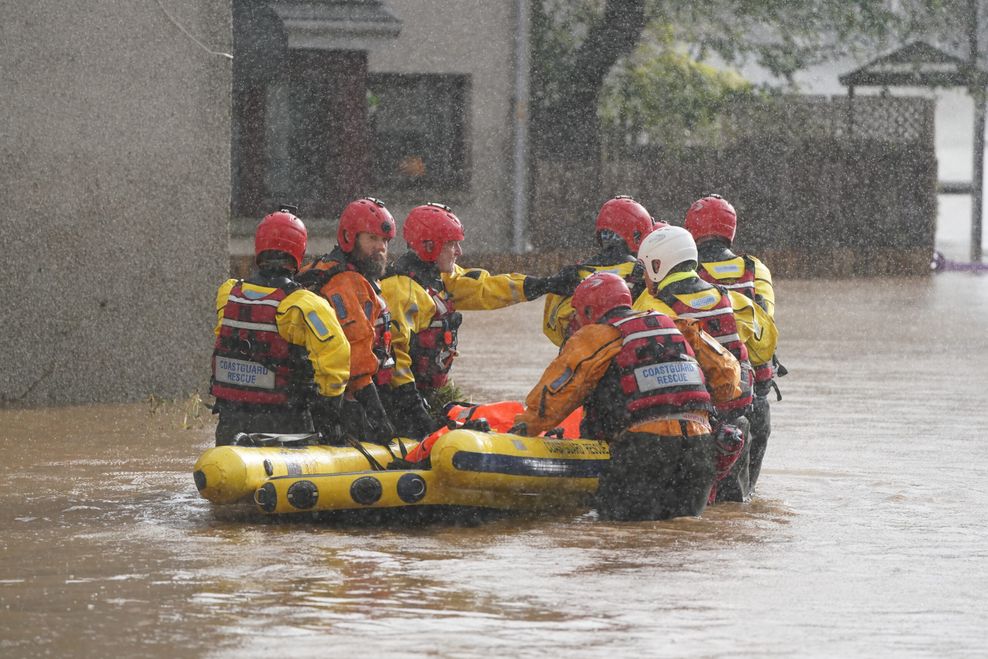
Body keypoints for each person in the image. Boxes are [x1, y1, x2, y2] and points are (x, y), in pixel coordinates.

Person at [509, 273, 741, 521]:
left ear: (589, 309)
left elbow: (556, 395)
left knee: (621, 537)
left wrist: (523, 429)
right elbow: (728, 378)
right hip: (698, 451)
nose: (574, 320)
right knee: (679, 537)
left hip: (644, 451)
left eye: (576, 313)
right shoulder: (676, 325)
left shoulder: (598, 336)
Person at [379, 202, 581, 439]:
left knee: (504, 414)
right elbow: (393, 354)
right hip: (400, 402)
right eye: (452, 244)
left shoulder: (439, 281)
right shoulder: (400, 290)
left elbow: (487, 288)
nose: (459, 252)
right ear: (429, 246)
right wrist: (413, 409)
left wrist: (545, 284)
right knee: (492, 421)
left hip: (425, 395)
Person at [634, 225, 778, 502]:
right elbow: (764, 348)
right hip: (735, 428)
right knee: (733, 514)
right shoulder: (731, 299)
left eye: (645, 267)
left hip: (686, 432)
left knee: (689, 512)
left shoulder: (651, 309)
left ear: (657, 265)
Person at [209, 208, 350, 446]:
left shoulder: (228, 293)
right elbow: (337, 359)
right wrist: (329, 414)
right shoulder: (303, 305)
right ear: (299, 252)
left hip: (230, 421)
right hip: (284, 424)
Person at [684, 194, 780, 489]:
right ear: (731, 229)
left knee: (704, 493)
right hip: (754, 395)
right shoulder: (755, 268)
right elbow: (764, 320)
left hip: (707, 397)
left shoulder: (685, 272)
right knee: (742, 497)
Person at [297, 197, 398, 445]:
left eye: (385, 241)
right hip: (339, 401)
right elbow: (357, 358)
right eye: (372, 239)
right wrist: (380, 417)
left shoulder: (319, 268)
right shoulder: (347, 282)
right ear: (349, 238)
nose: (381, 248)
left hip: (308, 397)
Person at [543, 195, 664, 346]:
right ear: (637, 235)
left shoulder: (573, 274)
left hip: (581, 355)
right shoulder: (650, 274)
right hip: (632, 354)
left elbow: (553, 328)